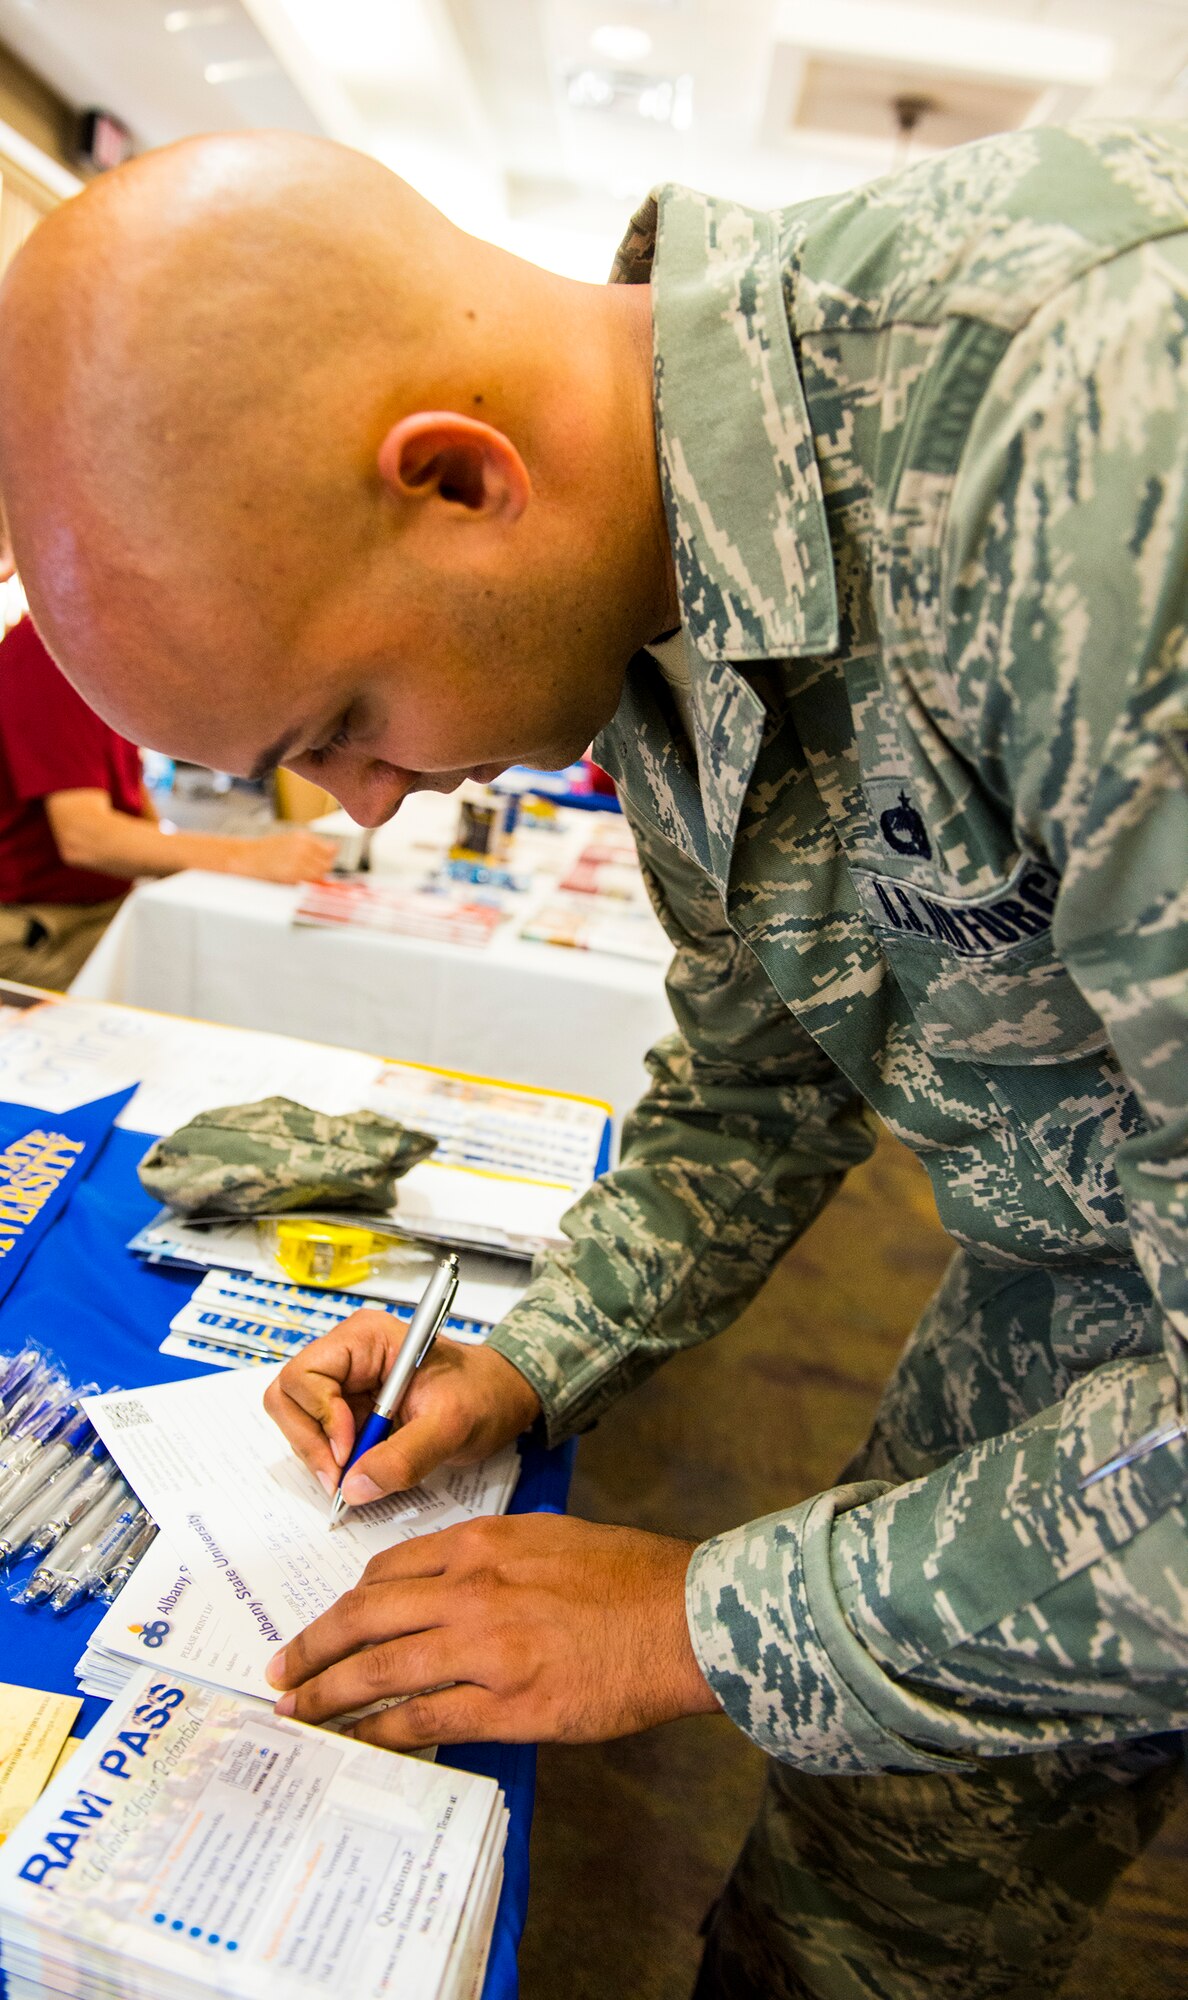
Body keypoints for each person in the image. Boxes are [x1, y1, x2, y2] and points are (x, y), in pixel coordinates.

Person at [0, 124, 1184, 1999]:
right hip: (1059, 1312)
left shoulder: (1093, 412)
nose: (369, 807)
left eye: (347, 724)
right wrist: (529, 1360)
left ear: (459, 479)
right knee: (850, 1916)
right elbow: (758, 1078)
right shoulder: (631, 588)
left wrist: (703, 1615)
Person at [0, 545, 336, 988]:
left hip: (92, 910)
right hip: (45, 931)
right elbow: (85, 838)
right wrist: (247, 858)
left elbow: (137, 809)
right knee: (230, 974)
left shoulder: (105, 663)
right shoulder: (49, 652)